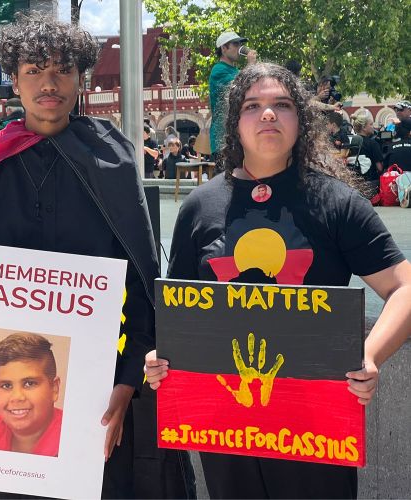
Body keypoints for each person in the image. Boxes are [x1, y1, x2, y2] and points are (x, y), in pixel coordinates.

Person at [0, 11, 189, 499]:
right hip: (5, 422)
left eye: (62, 69)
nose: (49, 83)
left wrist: (126, 384)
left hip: (97, 398)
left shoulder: (114, 160)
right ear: (14, 80)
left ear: (80, 77)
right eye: (34, 70)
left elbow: (141, 285)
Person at [145, 62, 411, 499]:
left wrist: (370, 356)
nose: (267, 114)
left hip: (315, 426)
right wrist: (164, 358)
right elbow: (180, 314)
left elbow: (404, 286)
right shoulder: (200, 207)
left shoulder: (336, 202)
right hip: (227, 432)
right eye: (253, 106)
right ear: (235, 124)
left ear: (301, 121)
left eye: (281, 105)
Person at [0, 333, 63, 457]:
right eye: (6, 385)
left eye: (29, 383)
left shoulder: (75, 438)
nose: (17, 397)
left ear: (54, 389)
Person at [209, 31, 257, 164]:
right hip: (223, 140)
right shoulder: (218, 70)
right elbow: (239, 86)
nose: (240, 47)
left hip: (236, 138)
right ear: (224, 48)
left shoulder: (236, 71)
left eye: (240, 44)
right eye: (235, 44)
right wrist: (251, 65)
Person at [350, 110, 383, 193]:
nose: (373, 126)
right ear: (364, 128)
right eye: (371, 124)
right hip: (370, 184)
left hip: (353, 183)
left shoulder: (351, 141)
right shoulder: (373, 143)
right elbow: (380, 168)